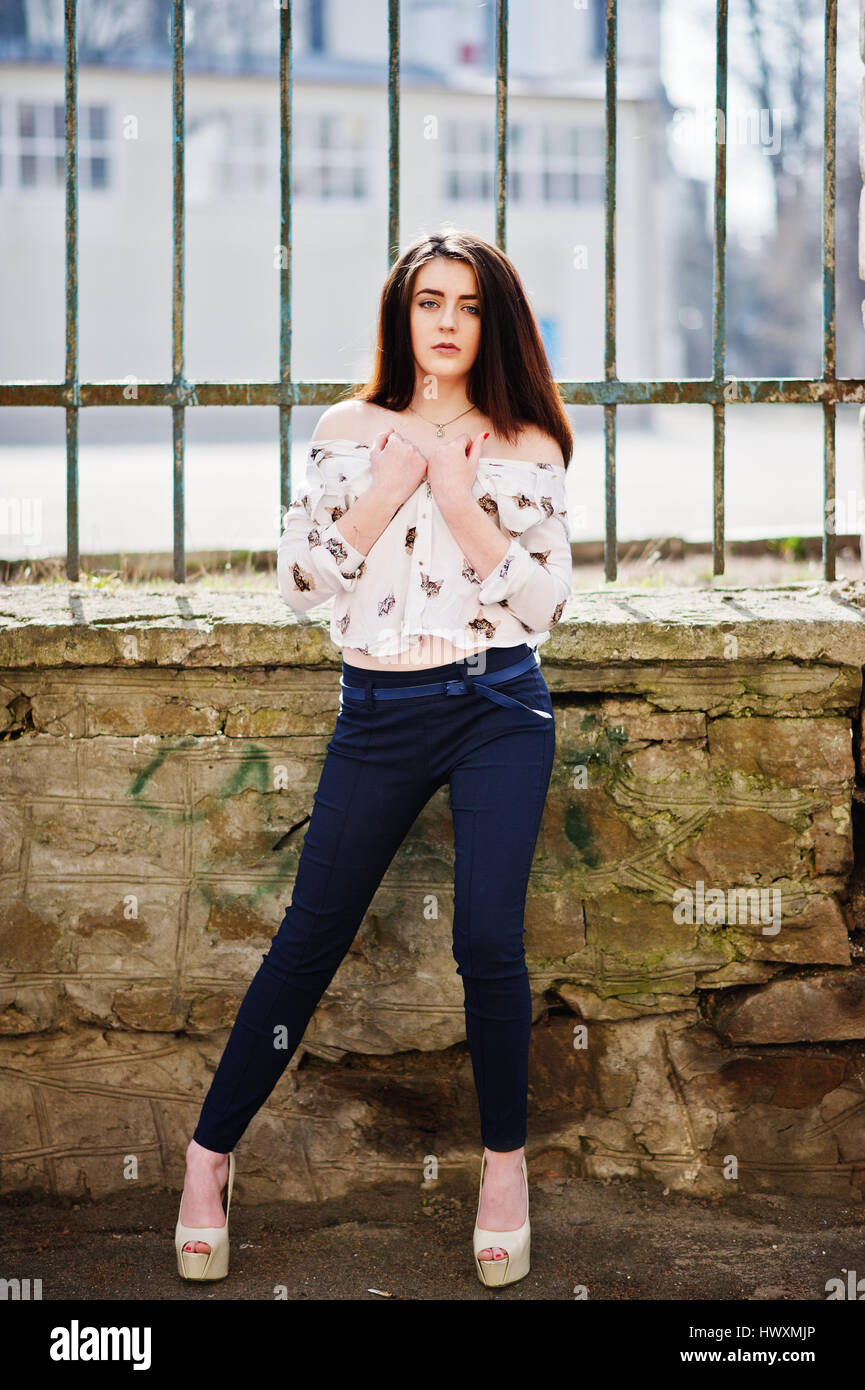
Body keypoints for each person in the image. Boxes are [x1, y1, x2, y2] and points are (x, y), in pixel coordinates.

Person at [175, 228, 573, 1289]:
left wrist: (456, 496)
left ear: (495, 322)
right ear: (401, 315)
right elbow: (302, 584)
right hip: (381, 709)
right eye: (427, 300)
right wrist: (389, 488)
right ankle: (206, 1162)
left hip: (498, 704)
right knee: (308, 940)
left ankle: (502, 1172)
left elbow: (544, 603)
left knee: (488, 944)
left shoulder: (528, 439)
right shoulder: (348, 429)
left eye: (469, 305)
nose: (446, 322)